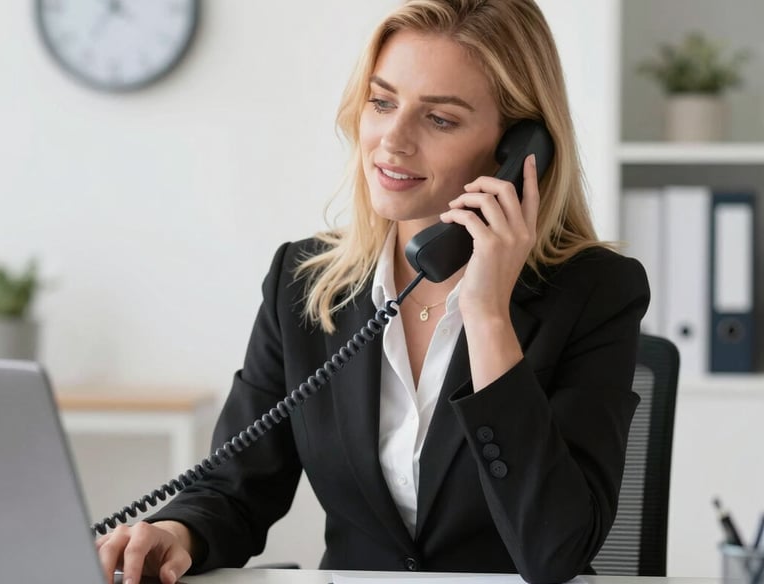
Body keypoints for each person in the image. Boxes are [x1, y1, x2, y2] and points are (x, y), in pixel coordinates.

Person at [96, 1, 649, 583]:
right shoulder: (306, 281)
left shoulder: (596, 293)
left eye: (440, 119)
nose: (392, 141)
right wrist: (176, 532)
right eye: (382, 102)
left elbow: (555, 552)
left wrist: (487, 316)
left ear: (520, 152)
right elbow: (236, 487)